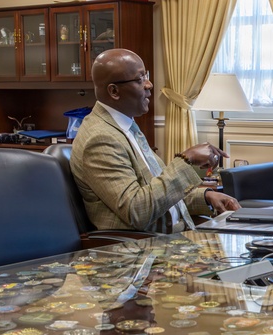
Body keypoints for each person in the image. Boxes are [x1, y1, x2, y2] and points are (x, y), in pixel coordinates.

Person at [71, 49, 240, 233]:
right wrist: (186, 160)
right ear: (114, 91)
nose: (149, 85)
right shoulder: (100, 139)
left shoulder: (126, 127)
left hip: (173, 240)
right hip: (141, 250)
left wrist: (207, 196)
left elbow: (159, 194)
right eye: (139, 79)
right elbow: (137, 210)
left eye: (147, 76)